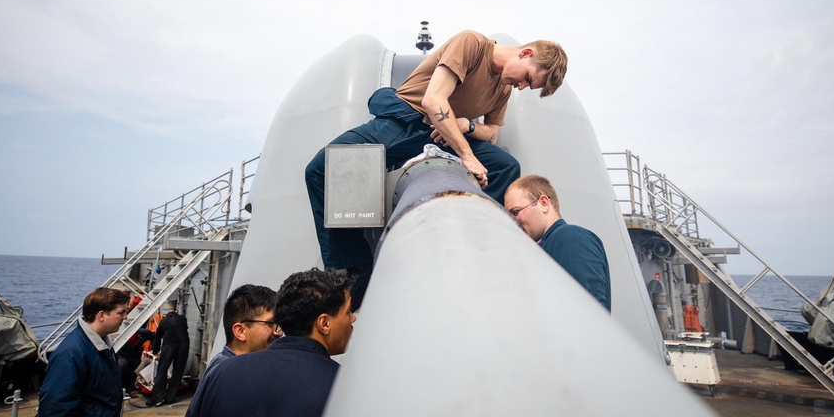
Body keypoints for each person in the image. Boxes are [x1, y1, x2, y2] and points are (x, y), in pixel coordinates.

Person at [306, 29, 568, 307]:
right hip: (406, 121)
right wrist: (466, 154)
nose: (523, 87)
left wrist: (465, 126)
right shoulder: (472, 44)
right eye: (528, 79)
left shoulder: (503, 88)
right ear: (525, 53)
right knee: (322, 169)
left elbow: (491, 132)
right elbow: (433, 101)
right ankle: (352, 266)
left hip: (446, 135)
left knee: (506, 167)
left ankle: (485, 246)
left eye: (530, 86)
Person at [164, 269, 355, 417]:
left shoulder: (222, 373)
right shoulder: (342, 387)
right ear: (324, 323)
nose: (353, 318)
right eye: (348, 312)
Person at [38, 287, 131, 417]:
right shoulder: (72, 352)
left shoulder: (101, 345)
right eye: (121, 312)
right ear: (101, 315)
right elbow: (55, 411)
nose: (126, 316)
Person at [504, 175, 611, 311]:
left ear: (543, 203)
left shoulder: (571, 238)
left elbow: (589, 312)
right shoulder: (551, 244)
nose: (512, 221)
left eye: (515, 212)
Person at [203, 283, 280, 378]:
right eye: (271, 323)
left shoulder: (226, 367)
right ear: (240, 331)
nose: (278, 332)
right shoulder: (231, 375)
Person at [147, 300, 190, 407]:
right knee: (178, 371)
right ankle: (170, 397)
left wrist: (155, 351)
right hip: (184, 345)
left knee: (162, 370)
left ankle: (158, 398)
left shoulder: (164, 322)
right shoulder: (182, 319)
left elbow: (157, 338)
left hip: (169, 346)